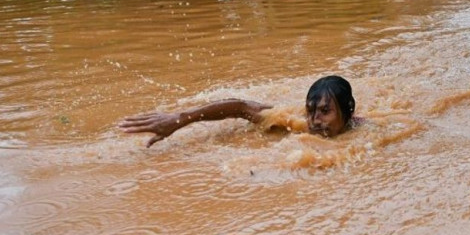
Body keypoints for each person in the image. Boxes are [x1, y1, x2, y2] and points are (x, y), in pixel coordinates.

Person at [120, 75, 358, 147]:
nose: (315, 121)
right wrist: (178, 119)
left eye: (325, 111)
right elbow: (241, 108)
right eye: (310, 111)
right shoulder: (294, 123)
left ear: (348, 113)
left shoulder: (366, 134)